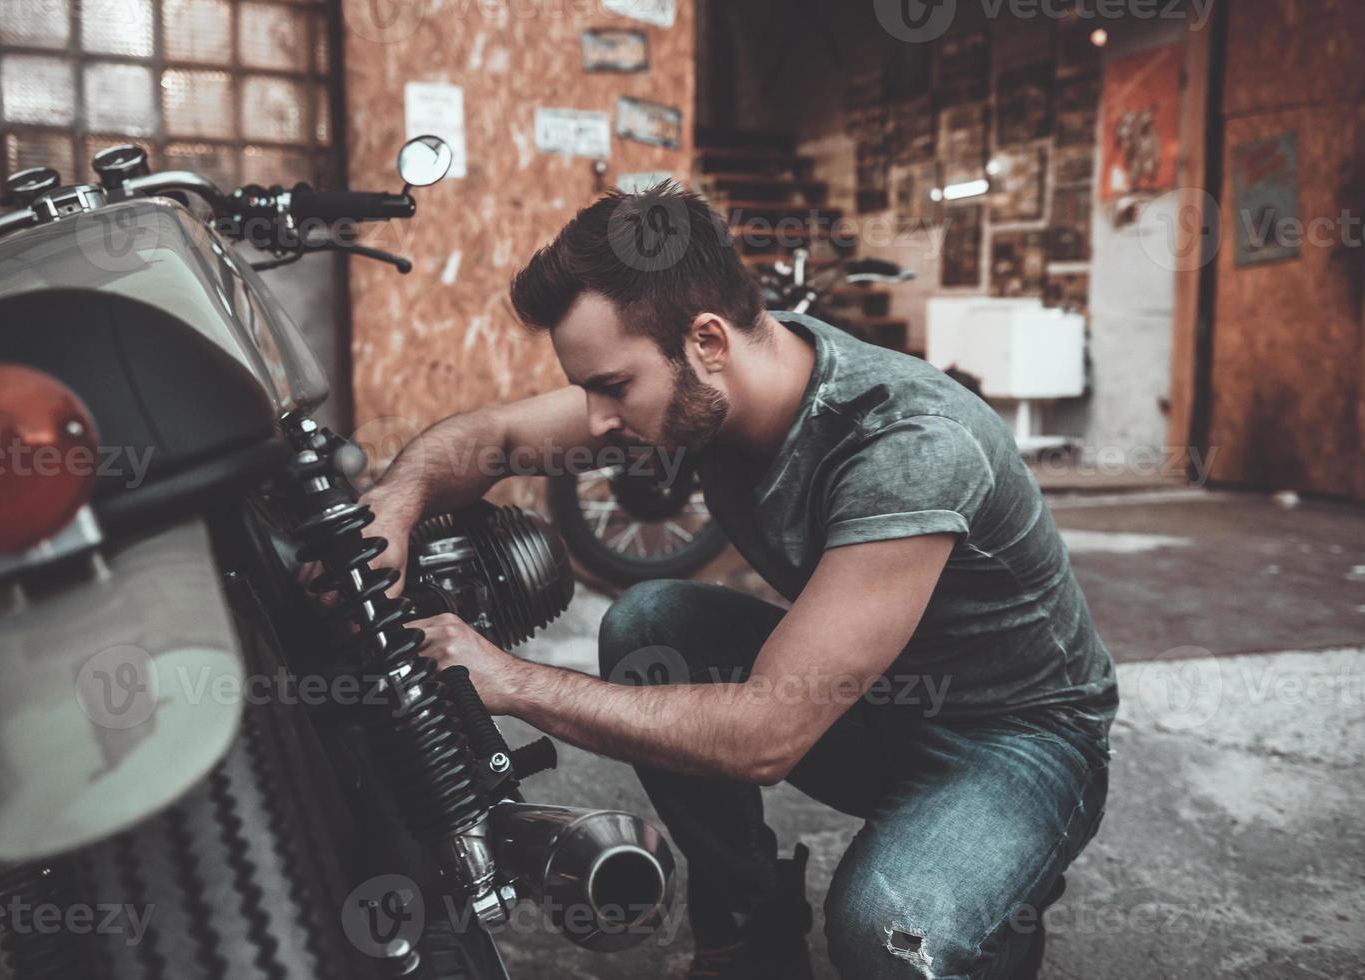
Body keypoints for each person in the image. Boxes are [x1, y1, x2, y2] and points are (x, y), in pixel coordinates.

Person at [361, 183, 1118, 979]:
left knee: (888, 931)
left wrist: (509, 681)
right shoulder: (706, 389)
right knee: (649, 623)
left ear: (708, 341)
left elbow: (763, 735)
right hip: (875, 706)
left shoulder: (907, 444)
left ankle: (998, 906)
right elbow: (495, 433)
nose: (593, 421)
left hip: (1017, 739)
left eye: (611, 387)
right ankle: (751, 915)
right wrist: (394, 503)